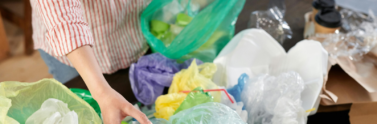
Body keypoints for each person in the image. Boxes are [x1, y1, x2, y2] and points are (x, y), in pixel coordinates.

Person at [30, 0, 152, 123]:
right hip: (72, 49)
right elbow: (63, 16)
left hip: (136, 28)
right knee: (71, 110)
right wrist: (102, 93)